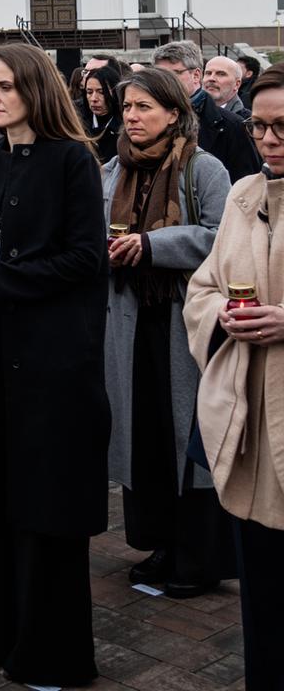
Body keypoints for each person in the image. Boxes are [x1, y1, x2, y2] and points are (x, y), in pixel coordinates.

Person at [0, 43, 108, 686]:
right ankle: (1, 633)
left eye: (6, 85)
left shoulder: (71, 160)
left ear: (34, 89)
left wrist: (0, 272)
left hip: (52, 362)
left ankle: (53, 651)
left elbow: (84, 261)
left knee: (45, 504)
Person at [101, 65, 233, 598]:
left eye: (144, 108)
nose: (132, 117)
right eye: (128, 108)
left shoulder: (204, 170)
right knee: (147, 435)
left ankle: (197, 557)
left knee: (189, 438)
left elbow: (221, 235)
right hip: (130, 322)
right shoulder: (113, 169)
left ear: (174, 114)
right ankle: (160, 543)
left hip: (185, 324)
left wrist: (154, 245)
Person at [184, 64, 284, 691]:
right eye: (262, 127)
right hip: (249, 421)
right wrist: (221, 311)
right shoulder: (246, 195)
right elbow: (204, 285)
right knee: (265, 590)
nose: (271, 140)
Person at [153, 41, 260, 183]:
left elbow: (244, 189)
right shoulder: (149, 120)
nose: (164, 82)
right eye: (159, 75)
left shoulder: (234, 126)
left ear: (196, 75)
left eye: (174, 74)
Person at [82, 63, 123, 165]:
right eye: (89, 92)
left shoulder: (125, 123)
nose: (94, 99)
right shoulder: (77, 121)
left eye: (101, 92)